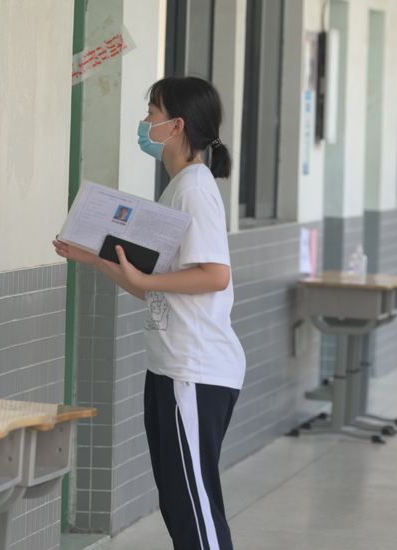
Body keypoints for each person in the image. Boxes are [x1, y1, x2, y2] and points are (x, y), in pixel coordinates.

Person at [54, 76, 244, 549]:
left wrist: (147, 282)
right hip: (170, 366)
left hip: (194, 370)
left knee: (194, 508)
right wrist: (94, 258)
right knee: (179, 503)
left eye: (151, 113)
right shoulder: (179, 187)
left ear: (176, 126)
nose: (145, 123)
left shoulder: (194, 189)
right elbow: (157, 289)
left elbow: (215, 275)